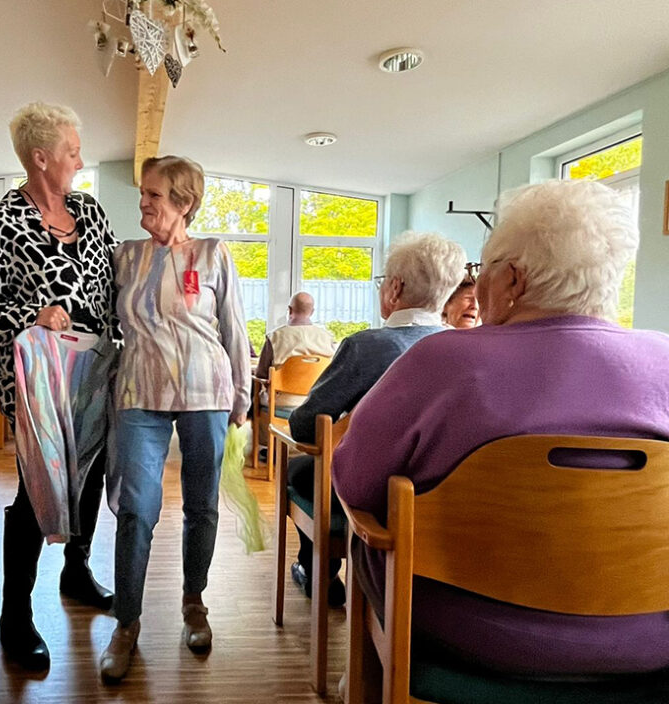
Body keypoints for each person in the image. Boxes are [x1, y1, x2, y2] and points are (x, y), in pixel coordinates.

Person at [333, 179, 669, 676]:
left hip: (470, 630)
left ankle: (366, 686)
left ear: (512, 280)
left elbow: (354, 483)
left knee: (369, 541)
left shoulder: (441, 359)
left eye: (481, 268)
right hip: (650, 637)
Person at [0, 101, 117, 671]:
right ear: (40, 158)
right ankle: (15, 615)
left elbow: (115, 286)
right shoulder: (4, 221)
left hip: (93, 370)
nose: (79, 159)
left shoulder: (90, 211)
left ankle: (77, 571)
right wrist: (35, 313)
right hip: (35, 379)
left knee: (92, 472)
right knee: (37, 486)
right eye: (71, 151)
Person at [98, 155, 250, 683]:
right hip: (139, 390)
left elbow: (233, 327)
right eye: (142, 193)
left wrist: (242, 395)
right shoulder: (125, 255)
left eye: (154, 194)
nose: (143, 202)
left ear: (183, 203)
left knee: (201, 504)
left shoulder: (213, 253)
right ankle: (126, 623)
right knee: (136, 509)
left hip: (206, 389)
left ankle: (194, 602)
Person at [285, 232, 465, 604]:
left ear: (394, 288)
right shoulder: (464, 349)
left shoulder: (367, 346)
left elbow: (306, 425)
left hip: (369, 492)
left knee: (298, 470)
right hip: (441, 492)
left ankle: (318, 570)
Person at [254, 291, 336, 407]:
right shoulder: (327, 337)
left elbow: (261, 374)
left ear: (290, 310)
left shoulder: (275, 337)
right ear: (312, 312)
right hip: (318, 401)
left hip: (281, 401)